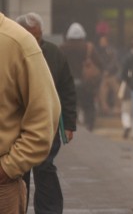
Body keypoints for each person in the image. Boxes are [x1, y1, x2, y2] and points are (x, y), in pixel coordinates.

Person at [15, 12, 77, 214]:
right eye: (31, 37)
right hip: (16, 125)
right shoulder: (9, 50)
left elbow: (67, 88)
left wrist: (69, 123)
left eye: (38, 36)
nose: (35, 41)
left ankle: (49, 210)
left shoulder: (53, 53)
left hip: (47, 123)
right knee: (19, 171)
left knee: (45, 167)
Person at [0, 11, 61, 213]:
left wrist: (9, 167)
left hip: (2, 185)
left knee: (46, 171)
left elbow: (44, 115)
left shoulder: (17, 42)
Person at [60, 22, 103, 131]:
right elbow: (100, 64)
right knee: (88, 106)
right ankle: (89, 127)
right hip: (86, 83)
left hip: (67, 83)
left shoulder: (63, 48)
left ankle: (69, 128)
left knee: (69, 107)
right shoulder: (88, 48)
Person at [96, 34, 121, 116]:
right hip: (104, 75)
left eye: (102, 41)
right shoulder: (99, 51)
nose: (101, 43)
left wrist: (107, 71)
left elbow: (114, 62)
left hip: (113, 74)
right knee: (102, 90)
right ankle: (104, 106)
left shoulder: (112, 51)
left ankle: (117, 107)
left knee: (117, 90)